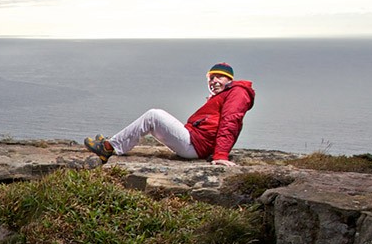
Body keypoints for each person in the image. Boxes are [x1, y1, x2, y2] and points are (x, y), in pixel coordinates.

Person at [84, 62, 255, 167]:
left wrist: (221, 155)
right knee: (153, 120)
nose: (214, 81)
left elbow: (230, 122)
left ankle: (108, 147)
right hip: (195, 142)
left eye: (220, 77)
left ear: (230, 80)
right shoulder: (227, 94)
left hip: (196, 146)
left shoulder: (238, 92)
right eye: (211, 78)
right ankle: (114, 143)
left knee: (153, 115)